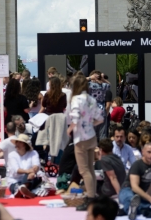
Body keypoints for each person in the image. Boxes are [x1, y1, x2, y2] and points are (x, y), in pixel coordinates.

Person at [68, 74, 104, 209]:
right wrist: (89, 124)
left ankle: (90, 198)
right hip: (91, 136)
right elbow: (100, 118)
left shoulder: (76, 99)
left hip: (80, 138)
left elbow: (75, 118)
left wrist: (70, 129)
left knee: (84, 171)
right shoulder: (91, 99)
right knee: (90, 169)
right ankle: (92, 195)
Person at [118, 142, 151, 220]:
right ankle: (131, 209)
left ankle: (132, 210)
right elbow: (134, 187)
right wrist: (150, 199)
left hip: (140, 194)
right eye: (149, 152)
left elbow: (149, 183)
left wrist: (149, 199)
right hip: (127, 189)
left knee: (148, 205)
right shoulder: (137, 165)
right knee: (129, 198)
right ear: (143, 152)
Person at [6, 134, 41, 198]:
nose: (17, 144)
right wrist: (29, 171)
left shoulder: (33, 153)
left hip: (30, 178)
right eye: (17, 142)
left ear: (25, 145)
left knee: (31, 177)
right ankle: (24, 190)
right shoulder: (12, 155)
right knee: (14, 186)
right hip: (15, 180)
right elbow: (17, 170)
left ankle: (23, 188)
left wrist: (33, 171)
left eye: (20, 142)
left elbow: (36, 165)